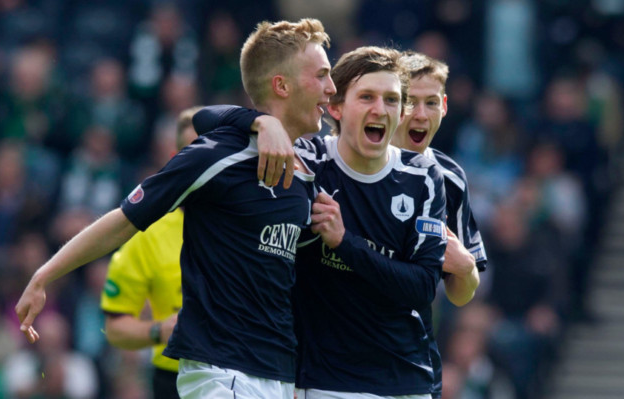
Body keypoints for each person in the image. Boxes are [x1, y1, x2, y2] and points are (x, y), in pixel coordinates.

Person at [15, 18, 336, 399]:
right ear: (281, 85)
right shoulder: (218, 155)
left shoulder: (309, 168)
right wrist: (45, 275)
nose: (331, 89)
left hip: (279, 373)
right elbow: (124, 220)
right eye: (322, 76)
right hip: (221, 371)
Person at [193, 46, 449, 398]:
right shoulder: (307, 161)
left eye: (391, 100)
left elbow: (422, 287)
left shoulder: (422, 176)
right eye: (367, 97)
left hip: (403, 378)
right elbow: (203, 118)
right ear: (336, 107)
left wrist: (345, 243)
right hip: (323, 381)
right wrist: (260, 121)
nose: (380, 109)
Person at [390, 51, 487, 398]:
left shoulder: (451, 179)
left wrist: (465, 268)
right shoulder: (354, 163)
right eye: (410, 102)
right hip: (337, 357)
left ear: (444, 106)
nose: (420, 114)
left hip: (413, 359)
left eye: (431, 103)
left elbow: (462, 293)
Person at [100, 106, 200, 399]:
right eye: (195, 151)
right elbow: (115, 327)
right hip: (173, 379)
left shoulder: (250, 222)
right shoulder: (148, 232)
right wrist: (157, 331)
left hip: (244, 374)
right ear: (176, 160)